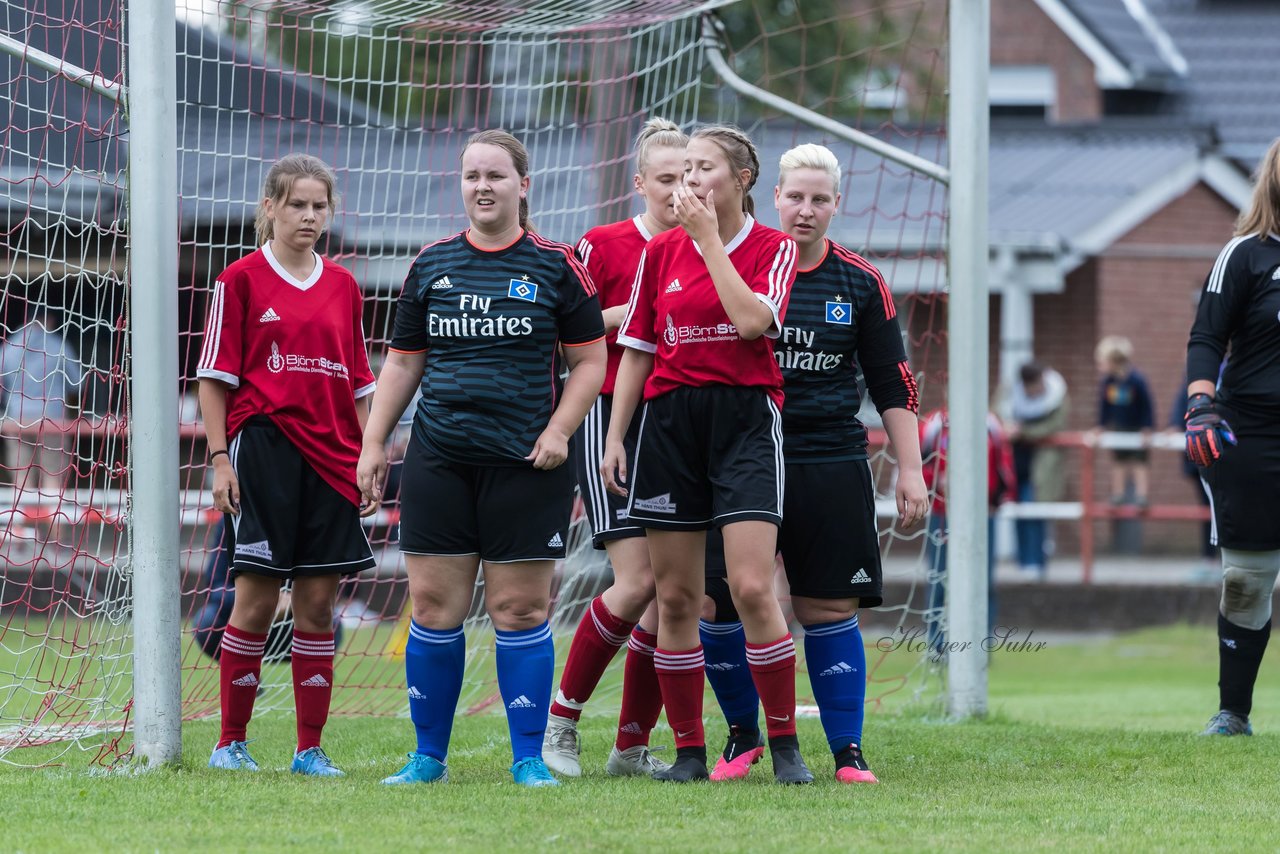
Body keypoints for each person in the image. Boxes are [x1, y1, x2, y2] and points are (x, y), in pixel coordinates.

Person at [358, 130, 606, 787]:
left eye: (495, 175)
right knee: (435, 607)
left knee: (520, 611)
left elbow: (590, 362)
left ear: (524, 185)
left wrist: (560, 430)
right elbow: (404, 361)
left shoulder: (556, 264)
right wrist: (375, 440)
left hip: (529, 464)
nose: (482, 186)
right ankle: (426, 759)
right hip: (440, 458)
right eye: (472, 176)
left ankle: (527, 758)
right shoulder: (432, 264)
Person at [696, 143, 928, 784]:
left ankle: (847, 754)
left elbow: (893, 383)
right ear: (772, 197)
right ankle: (742, 739)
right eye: (795, 196)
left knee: (826, 608)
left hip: (827, 457)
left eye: (819, 199)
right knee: (718, 604)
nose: (805, 209)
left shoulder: (860, 282)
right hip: (739, 456)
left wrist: (910, 469)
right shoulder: (739, 266)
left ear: (836, 205)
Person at [603, 124, 812, 784]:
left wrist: (708, 241)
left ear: (742, 179)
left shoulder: (775, 248)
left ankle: (784, 748)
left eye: (705, 168)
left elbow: (753, 322)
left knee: (751, 586)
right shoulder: (657, 253)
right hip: (668, 428)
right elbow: (636, 347)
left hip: (744, 423)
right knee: (676, 598)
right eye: (684, 168)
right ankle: (689, 753)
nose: (691, 180)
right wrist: (615, 434)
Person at [197, 153, 378, 776]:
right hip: (265, 450)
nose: (308, 216)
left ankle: (309, 749)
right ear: (269, 208)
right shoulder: (240, 279)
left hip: (335, 459)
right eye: (296, 204)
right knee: (253, 598)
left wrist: (368, 455)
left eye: (319, 206)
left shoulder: (344, 286)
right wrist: (222, 460)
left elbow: (359, 384)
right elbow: (214, 381)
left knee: (318, 607)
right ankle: (230, 742)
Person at [541, 118, 688, 780]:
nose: (679, 190)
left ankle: (631, 746)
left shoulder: (707, 247)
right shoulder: (601, 245)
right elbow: (559, 332)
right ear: (639, 183)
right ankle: (561, 723)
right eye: (665, 179)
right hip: (611, 422)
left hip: (684, 427)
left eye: (690, 177)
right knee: (639, 582)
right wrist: (638, 314)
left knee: (673, 597)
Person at [1184, 136, 1280, 737]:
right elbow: (1206, 336)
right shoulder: (1246, 254)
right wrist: (1200, 403)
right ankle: (1233, 713)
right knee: (1247, 580)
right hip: (1252, 434)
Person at [921, 408, 1017, 655]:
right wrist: (936, 481)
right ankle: (936, 645)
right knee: (939, 579)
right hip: (944, 514)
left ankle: (980, 645)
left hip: (981, 515)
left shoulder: (990, 423)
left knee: (982, 581)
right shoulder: (934, 423)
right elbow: (919, 465)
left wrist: (997, 499)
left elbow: (1003, 465)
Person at [0, 305, 83, 494]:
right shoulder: (57, 344)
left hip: (17, 417)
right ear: (50, 319)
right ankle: (54, 524)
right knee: (53, 477)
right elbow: (78, 383)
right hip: (51, 417)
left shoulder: (10, 345)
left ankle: (19, 524)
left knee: (21, 478)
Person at [1006, 361, 1069, 578]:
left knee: (1035, 510)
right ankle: (1023, 562)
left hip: (1041, 465)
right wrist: (1009, 428)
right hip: (1015, 463)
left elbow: (1055, 426)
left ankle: (1036, 563)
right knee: (1018, 513)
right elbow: (998, 412)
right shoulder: (1010, 394)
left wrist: (1024, 432)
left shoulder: (1057, 396)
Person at [1094, 335, 1155, 506]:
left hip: (1137, 427)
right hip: (1119, 426)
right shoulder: (1108, 382)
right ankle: (1118, 494)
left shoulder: (1136, 380)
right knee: (1118, 461)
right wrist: (1101, 426)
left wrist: (1147, 427)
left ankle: (1141, 495)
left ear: (1114, 361)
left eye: (1102, 362)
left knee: (1139, 462)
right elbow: (1104, 407)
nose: (1100, 367)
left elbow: (1147, 405)